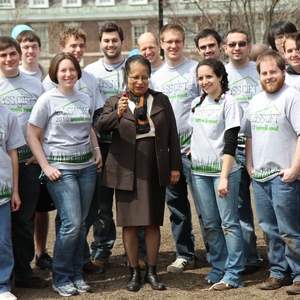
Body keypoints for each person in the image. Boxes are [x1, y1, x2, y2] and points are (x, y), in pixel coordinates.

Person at [97, 54, 182, 291]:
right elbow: (100, 127)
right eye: (135, 77)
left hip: (155, 167)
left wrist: (175, 166)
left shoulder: (161, 100)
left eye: (145, 77)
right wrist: (117, 114)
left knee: (153, 222)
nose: (140, 81)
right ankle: (134, 272)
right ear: (127, 76)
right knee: (130, 225)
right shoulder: (116, 101)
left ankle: (152, 272)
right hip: (126, 170)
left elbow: (172, 136)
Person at [27, 52, 102, 297]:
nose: (68, 74)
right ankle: (61, 276)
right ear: (55, 74)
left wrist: (96, 150)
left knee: (80, 225)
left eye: (72, 69)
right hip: (61, 171)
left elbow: (89, 126)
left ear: (77, 72)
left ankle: (76, 273)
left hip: (87, 168)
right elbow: (32, 135)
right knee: (71, 223)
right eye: (63, 70)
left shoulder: (84, 97)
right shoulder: (47, 99)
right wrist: (45, 166)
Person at [85, 22, 147, 270]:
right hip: (102, 145)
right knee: (102, 204)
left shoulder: (134, 68)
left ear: (123, 42)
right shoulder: (89, 72)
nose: (111, 44)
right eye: (106, 40)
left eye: (115, 40)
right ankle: (101, 251)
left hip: (132, 145)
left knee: (135, 200)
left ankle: (140, 252)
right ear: (100, 43)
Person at [43, 27, 103, 274]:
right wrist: (44, 161)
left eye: (81, 45)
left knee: (83, 216)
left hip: (86, 159)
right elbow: (40, 124)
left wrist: (96, 148)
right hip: (60, 162)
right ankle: (64, 268)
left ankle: (80, 260)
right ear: (62, 49)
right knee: (69, 219)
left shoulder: (89, 80)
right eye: (72, 46)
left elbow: (91, 119)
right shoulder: (48, 83)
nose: (77, 50)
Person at [245, 50, 300, 295]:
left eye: (273, 72)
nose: (269, 76)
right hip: (260, 176)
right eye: (264, 73)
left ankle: (298, 274)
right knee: (268, 228)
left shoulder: (292, 97)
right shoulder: (255, 101)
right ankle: (279, 272)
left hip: (284, 176)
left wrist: (295, 169)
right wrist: (250, 164)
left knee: (290, 229)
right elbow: (248, 135)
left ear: (283, 72)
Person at [190, 58, 244, 290]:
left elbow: (230, 143)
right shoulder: (196, 102)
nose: (204, 81)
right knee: (210, 223)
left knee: (229, 223)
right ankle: (219, 267)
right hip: (199, 174)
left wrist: (223, 177)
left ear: (220, 76)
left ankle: (233, 274)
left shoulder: (229, 103)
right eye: (201, 78)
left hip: (224, 174)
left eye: (209, 76)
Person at [151, 23, 200, 273]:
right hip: (169, 155)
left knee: (205, 207)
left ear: (184, 42)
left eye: (178, 41)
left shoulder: (195, 70)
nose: (173, 45)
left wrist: (201, 142)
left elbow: (207, 106)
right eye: (168, 41)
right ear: (161, 44)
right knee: (177, 207)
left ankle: (217, 253)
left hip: (195, 150)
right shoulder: (155, 76)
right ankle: (185, 253)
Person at [0, 36, 47, 289]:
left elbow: (45, 119)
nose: (8, 59)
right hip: (1, 163)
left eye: (11, 54)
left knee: (24, 219)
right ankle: (3, 275)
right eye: (2, 55)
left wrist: (39, 151)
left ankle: (23, 271)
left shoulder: (34, 85)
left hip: (27, 162)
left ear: (19, 55)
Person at [224, 28, 262, 274]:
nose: (237, 48)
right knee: (239, 206)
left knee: (266, 204)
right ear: (225, 48)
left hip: (260, 144)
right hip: (232, 147)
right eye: (232, 44)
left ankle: (280, 258)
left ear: (249, 46)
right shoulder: (220, 73)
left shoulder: (259, 70)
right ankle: (249, 256)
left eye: (241, 44)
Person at [16, 29, 53, 272]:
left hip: (33, 159)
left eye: (33, 46)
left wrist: (40, 152)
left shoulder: (46, 80)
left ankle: (36, 257)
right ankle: (13, 268)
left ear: (40, 49)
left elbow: (48, 120)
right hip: (8, 160)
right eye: (24, 48)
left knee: (36, 211)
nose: (30, 51)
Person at [0, 106, 25, 300]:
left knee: (2, 241)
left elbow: (13, 153)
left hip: (3, 190)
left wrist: (15, 190)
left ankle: (2, 286)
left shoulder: (7, 114)